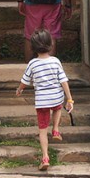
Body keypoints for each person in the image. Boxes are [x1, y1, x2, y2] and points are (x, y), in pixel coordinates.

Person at [16, 28, 74, 170]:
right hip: (56, 97)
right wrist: (70, 99)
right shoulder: (55, 61)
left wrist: (20, 89)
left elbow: (25, 81)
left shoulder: (32, 64)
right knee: (57, 108)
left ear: (33, 47)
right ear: (51, 44)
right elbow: (63, 81)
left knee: (42, 130)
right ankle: (55, 129)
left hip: (42, 101)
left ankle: (45, 157)